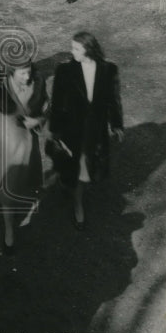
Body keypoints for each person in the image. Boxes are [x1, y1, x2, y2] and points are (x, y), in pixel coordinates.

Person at [49, 31, 124, 230]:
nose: (72, 52)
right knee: (80, 172)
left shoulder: (108, 70)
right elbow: (57, 103)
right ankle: (78, 206)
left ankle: (69, 187)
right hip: (72, 130)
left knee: (87, 170)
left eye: (76, 48)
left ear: (89, 49)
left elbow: (113, 101)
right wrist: (55, 131)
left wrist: (116, 125)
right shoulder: (65, 70)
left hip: (95, 131)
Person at [0, 63, 48, 253]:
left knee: (23, 182)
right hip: (6, 147)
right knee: (7, 191)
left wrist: (37, 121)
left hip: (28, 143)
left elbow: (47, 108)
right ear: (11, 73)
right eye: (22, 74)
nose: (27, 77)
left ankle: (14, 207)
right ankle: (9, 231)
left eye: (29, 72)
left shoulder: (37, 84)